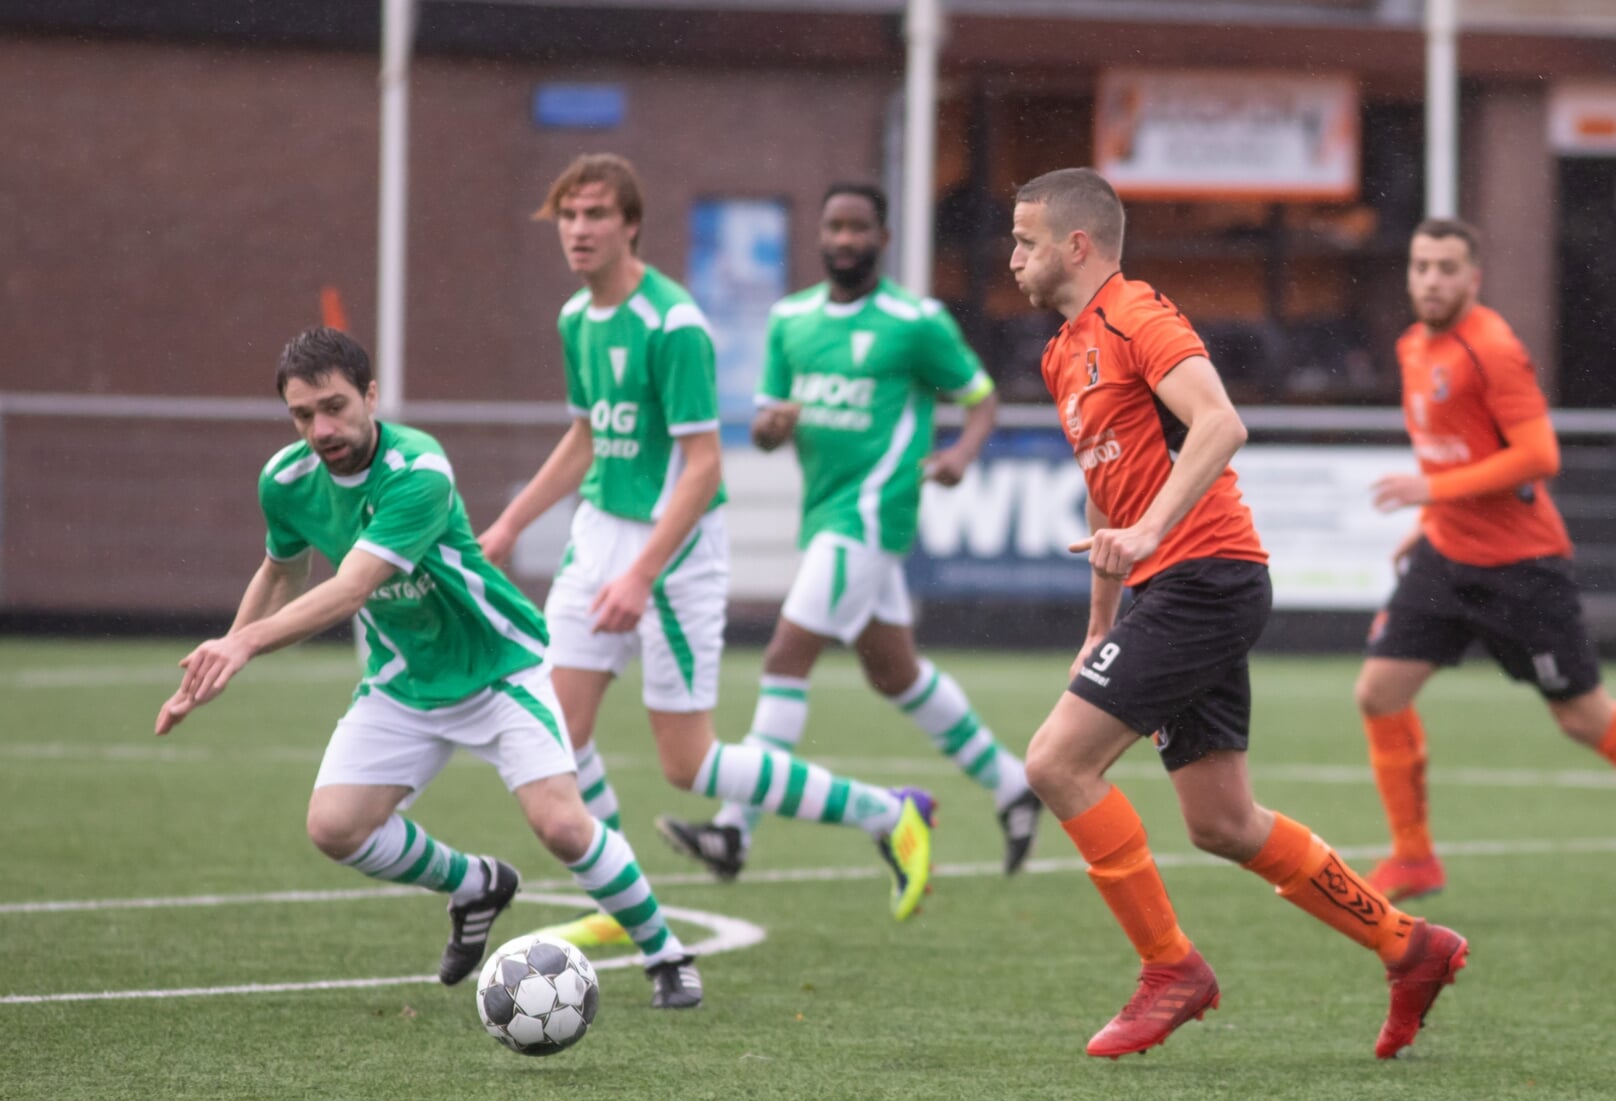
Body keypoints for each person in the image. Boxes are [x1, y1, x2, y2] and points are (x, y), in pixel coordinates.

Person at [1008, 168, 1468, 1060]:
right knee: (1221, 820)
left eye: (1025, 240)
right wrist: (1101, 625)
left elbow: (1220, 424)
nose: (1013, 257)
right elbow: (1107, 496)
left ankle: (1169, 968)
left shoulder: (1139, 316)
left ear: (1076, 245)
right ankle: (1410, 946)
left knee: (1056, 763)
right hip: (1174, 584)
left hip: (1206, 577)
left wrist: (1148, 534)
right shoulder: (1062, 351)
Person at [154, 327, 702, 1007]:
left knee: (561, 825)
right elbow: (282, 570)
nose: (320, 428)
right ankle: (476, 884)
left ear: (371, 395)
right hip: (404, 680)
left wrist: (244, 645)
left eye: (334, 406)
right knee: (335, 827)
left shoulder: (419, 470)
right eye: (302, 415)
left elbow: (352, 586)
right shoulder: (287, 480)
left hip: (498, 667)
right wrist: (223, 655)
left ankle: (666, 953)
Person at [476, 155, 935, 944]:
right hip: (599, 535)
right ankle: (624, 891)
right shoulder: (575, 319)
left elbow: (704, 465)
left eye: (593, 215)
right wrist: (512, 524)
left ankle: (887, 813)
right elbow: (587, 438)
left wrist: (642, 573)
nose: (577, 231)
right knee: (557, 726)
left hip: (676, 547)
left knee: (686, 763)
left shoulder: (673, 322)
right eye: (567, 216)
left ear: (631, 225)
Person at [1357, 218, 1616, 928]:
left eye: (1447, 268)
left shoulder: (1493, 348)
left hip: (1523, 569)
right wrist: (1428, 518)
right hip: (1447, 556)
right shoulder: (1414, 346)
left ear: (1473, 279)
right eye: (1421, 266)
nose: (1431, 280)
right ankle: (1414, 854)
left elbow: (1541, 454)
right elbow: (1455, 451)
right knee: (1380, 691)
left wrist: (1430, 493)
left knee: (1581, 715)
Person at [656, 183, 1044, 882]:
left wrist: (958, 454)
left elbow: (981, 398)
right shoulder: (790, 319)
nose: (843, 239)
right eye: (833, 226)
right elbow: (770, 423)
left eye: (858, 228)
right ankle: (1014, 785)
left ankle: (731, 830)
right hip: (825, 513)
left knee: (784, 657)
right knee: (895, 672)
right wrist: (770, 428)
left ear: (883, 238)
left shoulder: (915, 321)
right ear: (820, 236)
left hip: (869, 514)